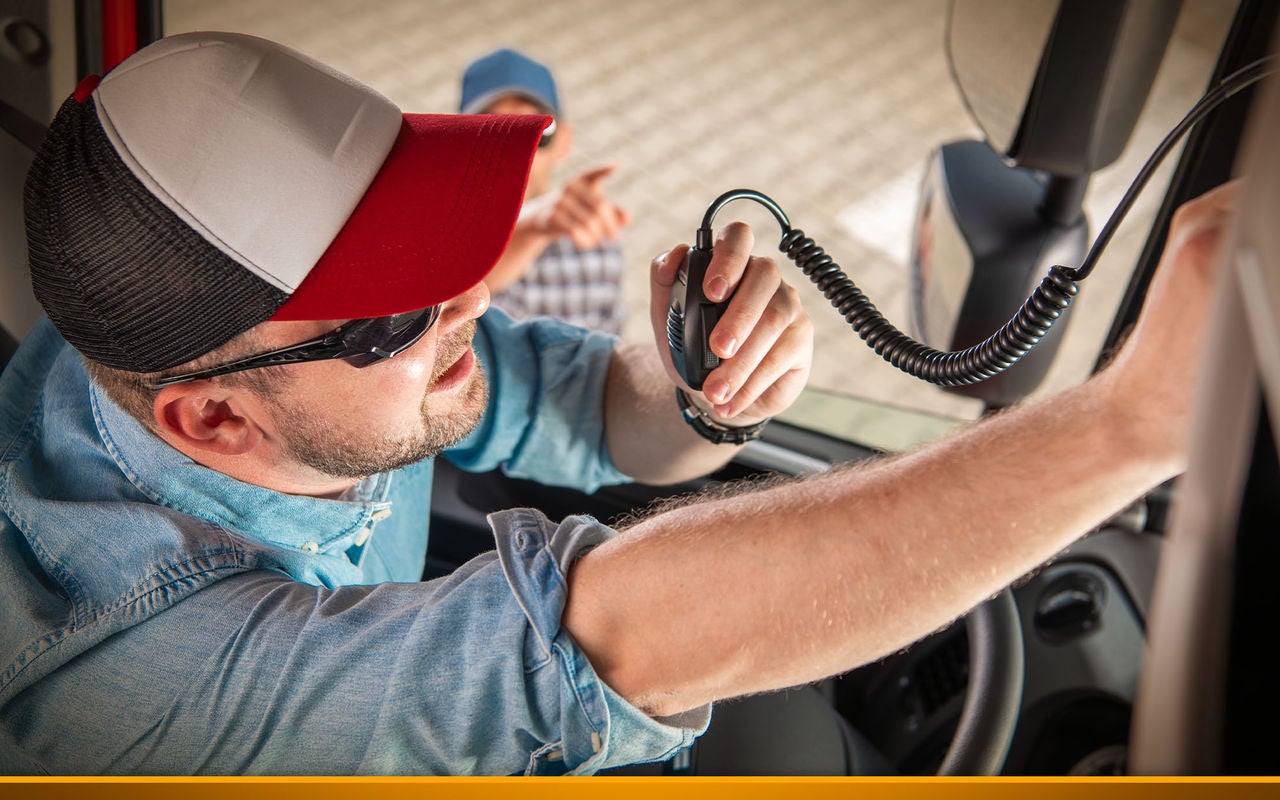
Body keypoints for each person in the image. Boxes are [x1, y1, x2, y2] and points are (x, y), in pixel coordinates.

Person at [0, 31, 1233, 776]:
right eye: (395, 307)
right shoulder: (130, 687)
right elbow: (608, 638)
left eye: (437, 244)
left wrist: (695, 388)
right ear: (213, 427)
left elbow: (594, 411)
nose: (467, 298)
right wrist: (1128, 420)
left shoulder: (234, 360)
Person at [459, 48, 631, 334]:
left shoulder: (598, 241)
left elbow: (609, 351)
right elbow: (446, 296)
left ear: (563, 142)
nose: (514, 152)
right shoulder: (438, 231)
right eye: (490, 132)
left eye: (536, 132)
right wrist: (532, 228)